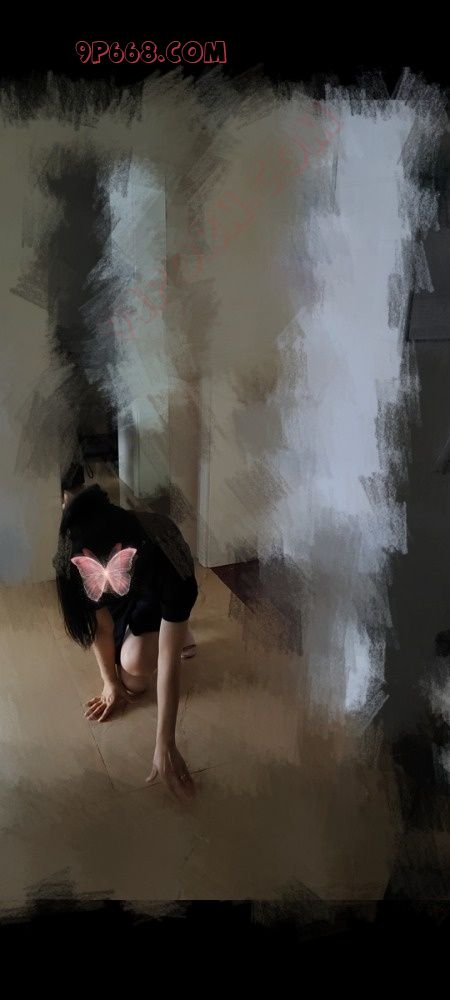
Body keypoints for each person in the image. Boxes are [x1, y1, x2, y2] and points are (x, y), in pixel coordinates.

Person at [53, 463, 199, 800]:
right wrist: (109, 683)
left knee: (136, 671)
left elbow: (169, 660)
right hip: (121, 598)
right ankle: (169, 623)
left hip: (153, 593)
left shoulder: (165, 551)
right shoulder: (74, 557)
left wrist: (165, 742)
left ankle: (179, 623)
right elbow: (99, 627)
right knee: (124, 682)